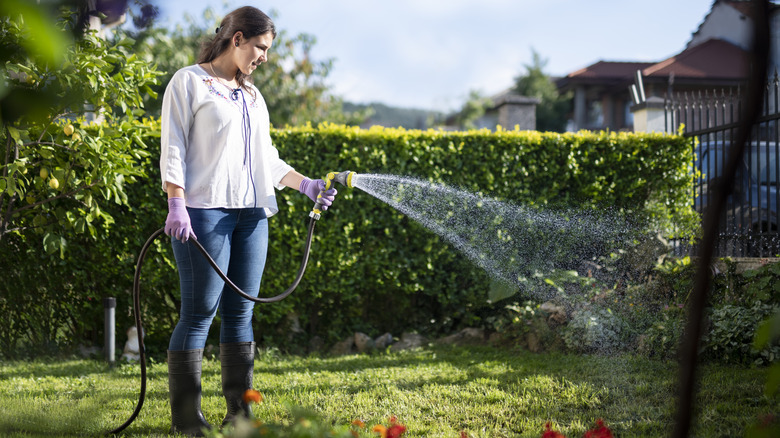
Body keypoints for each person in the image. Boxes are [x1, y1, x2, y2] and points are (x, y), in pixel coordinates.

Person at [159, 6, 336, 436]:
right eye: (260, 47)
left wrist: (304, 184)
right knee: (200, 311)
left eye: (267, 50)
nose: (264, 57)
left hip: (253, 213)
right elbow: (174, 146)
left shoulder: (253, 96)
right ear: (236, 38)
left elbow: (267, 158)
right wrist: (176, 201)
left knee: (241, 314)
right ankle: (186, 418)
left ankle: (240, 414)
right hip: (204, 212)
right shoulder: (189, 82)